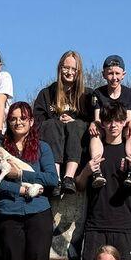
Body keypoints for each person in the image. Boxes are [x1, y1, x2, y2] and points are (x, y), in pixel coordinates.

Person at [0, 101, 59, 260]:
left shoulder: (42, 148)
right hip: (9, 215)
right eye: (13, 119)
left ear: (31, 121)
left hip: (38, 214)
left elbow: (52, 179)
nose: (18, 122)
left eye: (22, 118)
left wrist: (20, 175)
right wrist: (21, 190)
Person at [75, 101, 131, 260]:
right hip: (95, 226)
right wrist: (86, 171)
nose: (113, 125)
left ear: (124, 123)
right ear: (103, 123)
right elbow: (79, 185)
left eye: (118, 121)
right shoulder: (92, 149)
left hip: (125, 226)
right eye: (109, 121)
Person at [33, 50, 92, 193]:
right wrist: (57, 120)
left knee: (76, 125)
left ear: (79, 72)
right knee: (52, 124)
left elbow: (94, 121)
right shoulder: (46, 93)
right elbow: (37, 121)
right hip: (52, 143)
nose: (69, 72)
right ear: (60, 68)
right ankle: (56, 179)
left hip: (78, 148)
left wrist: (74, 120)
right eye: (66, 68)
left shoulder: (88, 94)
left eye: (74, 69)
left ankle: (68, 178)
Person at [87, 54, 131, 191]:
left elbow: (128, 118)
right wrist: (94, 123)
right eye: (110, 73)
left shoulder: (129, 93)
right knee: (95, 131)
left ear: (123, 74)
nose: (114, 77)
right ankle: (96, 171)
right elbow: (98, 118)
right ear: (103, 74)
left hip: (121, 130)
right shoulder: (98, 93)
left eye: (117, 73)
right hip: (105, 128)